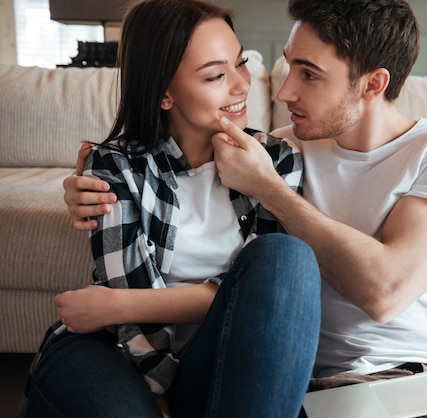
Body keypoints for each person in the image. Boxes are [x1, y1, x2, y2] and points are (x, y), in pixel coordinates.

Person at [64, 0, 427, 396]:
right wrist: (83, 189)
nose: (282, 93)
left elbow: (385, 293)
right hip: (316, 384)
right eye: (288, 65)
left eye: (309, 75)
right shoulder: (279, 150)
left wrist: (269, 189)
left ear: (373, 84)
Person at [23, 1, 321, 417]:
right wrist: (157, 392)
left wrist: (113, 305)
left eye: (240, 64)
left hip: (210, 350)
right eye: (216, 75)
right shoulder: (114, 165)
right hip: (114, 345)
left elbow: (264, 292)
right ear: (164, 92)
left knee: (288, 258)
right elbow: (131, 290)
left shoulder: (276, 159)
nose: (241, 85)